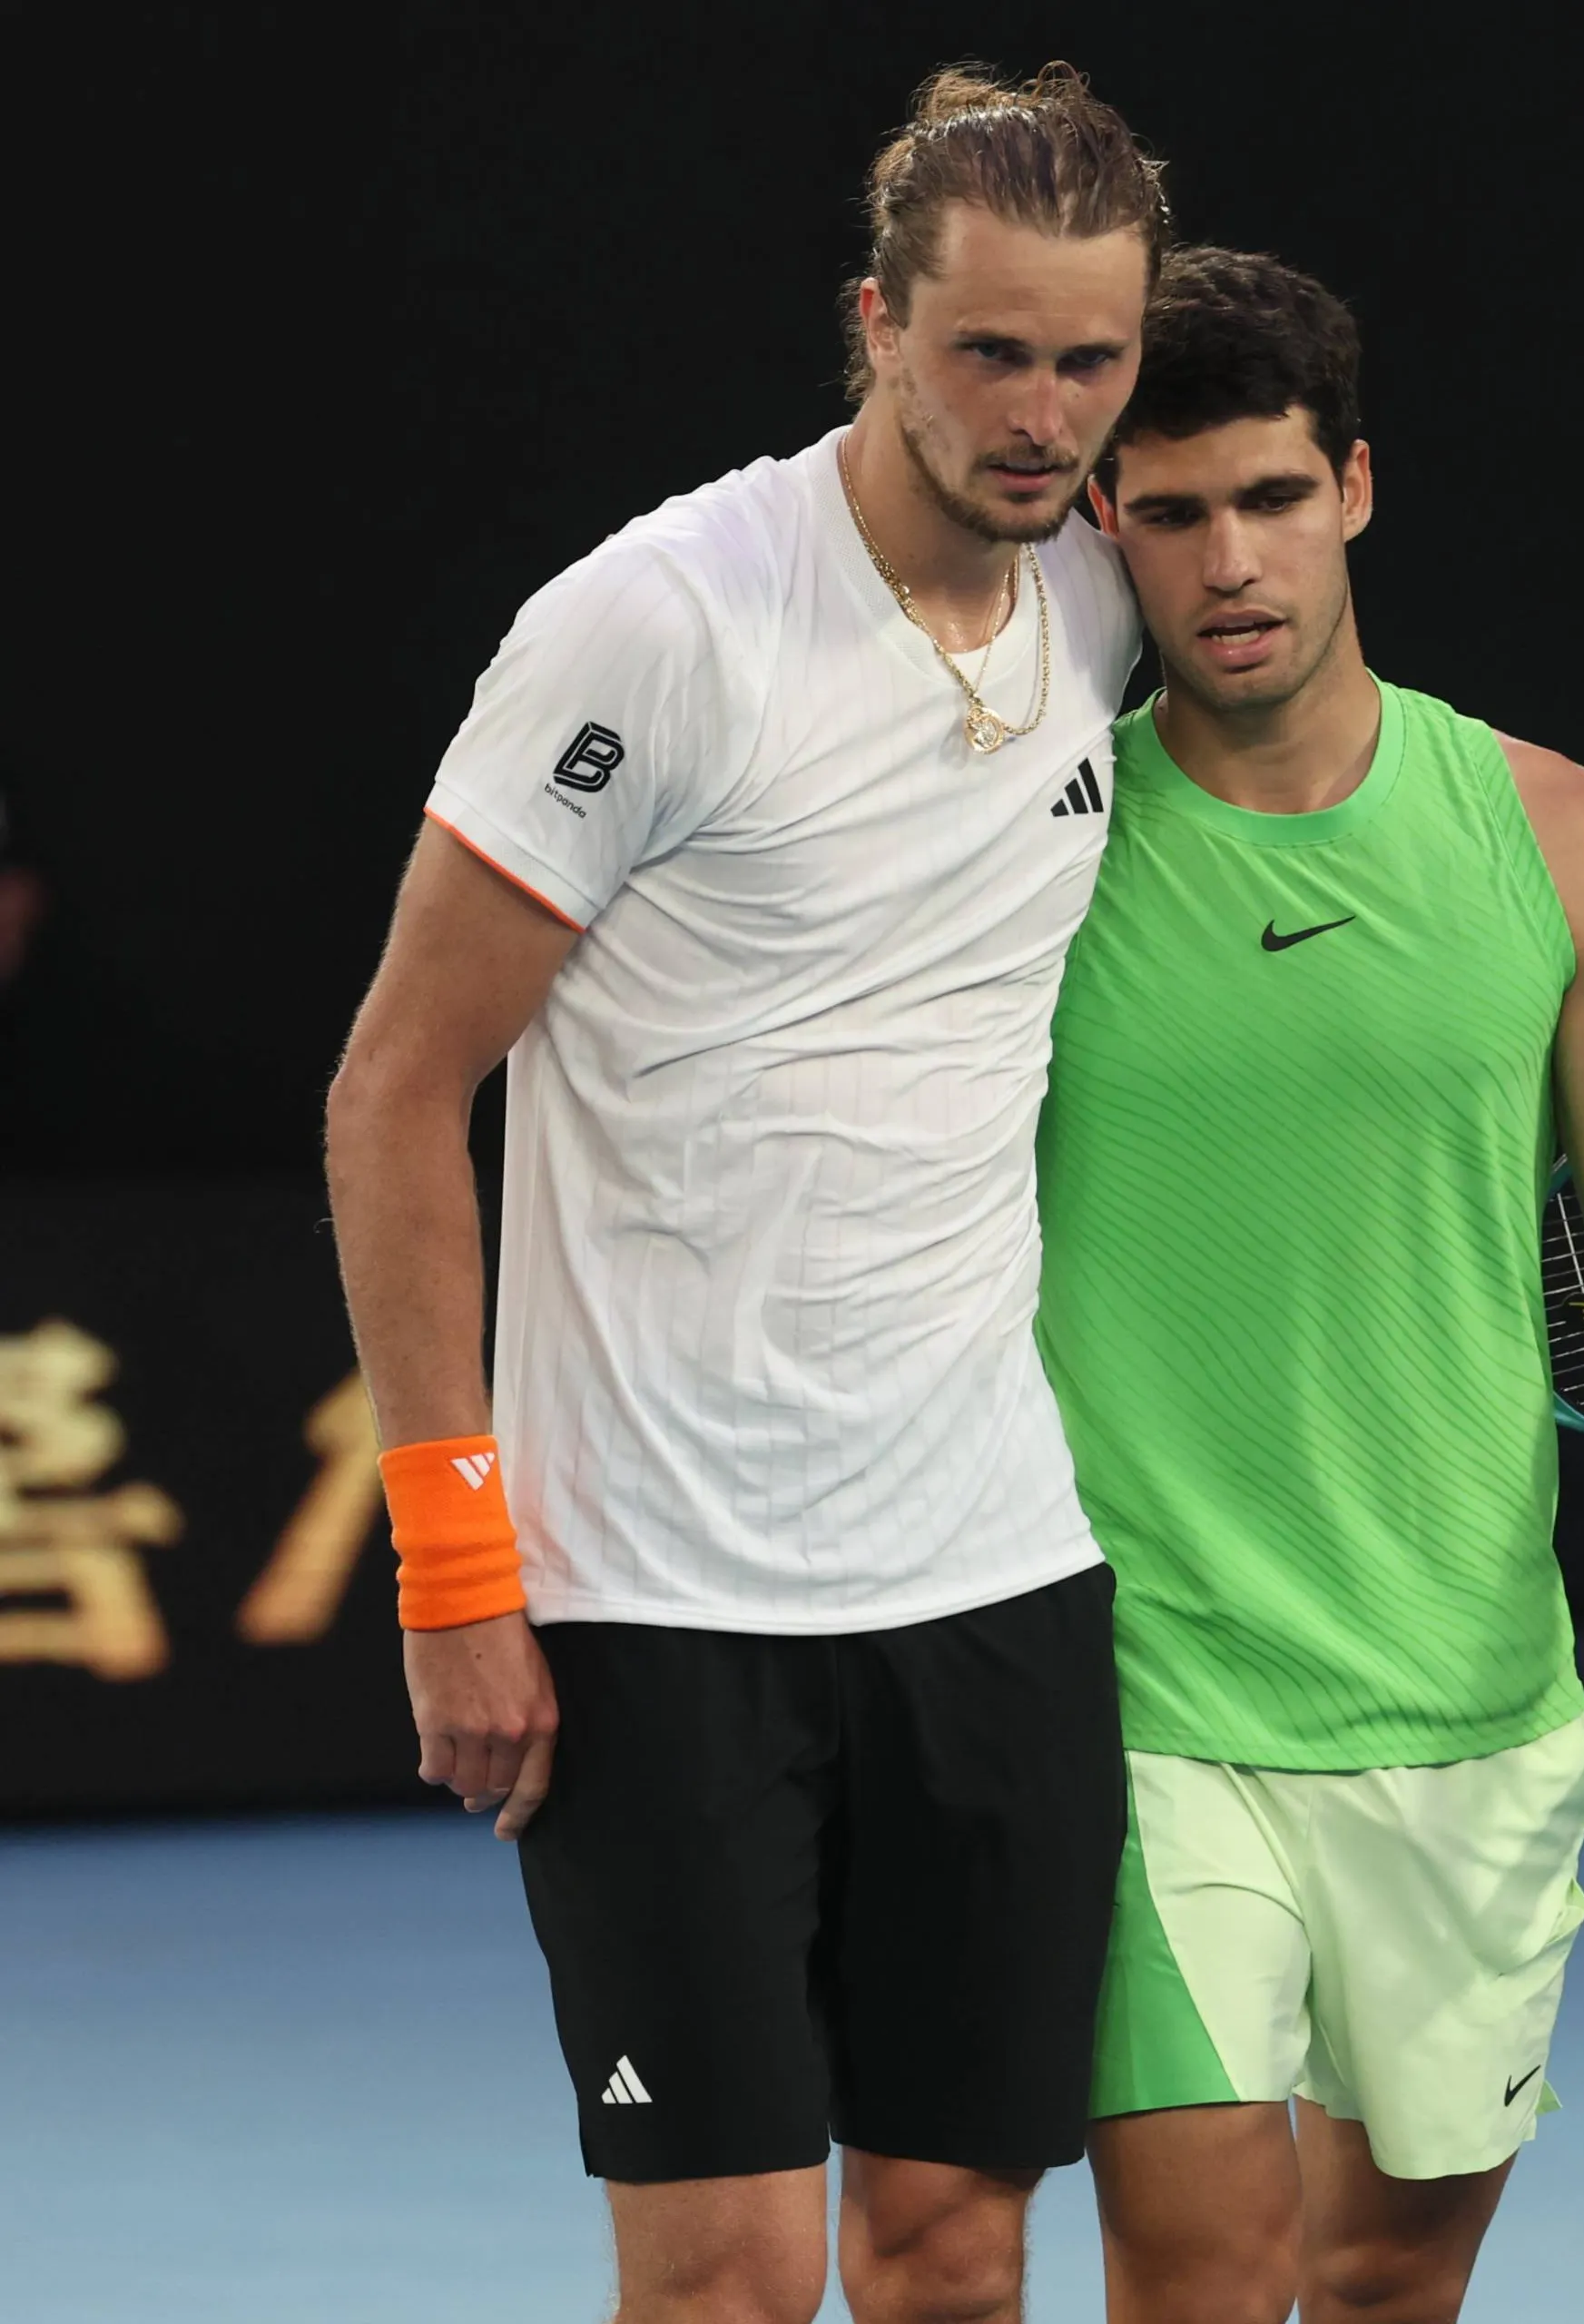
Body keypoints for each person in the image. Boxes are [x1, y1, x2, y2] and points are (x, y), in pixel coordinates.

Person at [321, 65, 1164, 2324]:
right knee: (721, 2280)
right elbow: (398, 1093)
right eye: (991, 351)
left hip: (993, 1573)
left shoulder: (1110, 595)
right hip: (656, 1597)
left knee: (956, 2258)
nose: (1045, 411)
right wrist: (455, 1563)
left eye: (1095, 360)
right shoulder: (659, 622)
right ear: (875, 322)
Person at [1036, 246, 1584, 2324]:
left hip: (1471, 1702)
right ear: (1104, 522)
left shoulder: (1563, 844)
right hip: (1139, 1694)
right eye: (1178, 509)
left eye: (1274, 499)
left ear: (1357, 488)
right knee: (1201, 2268)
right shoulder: (1031, 859)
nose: (1232, 563)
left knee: (1387, 2275)